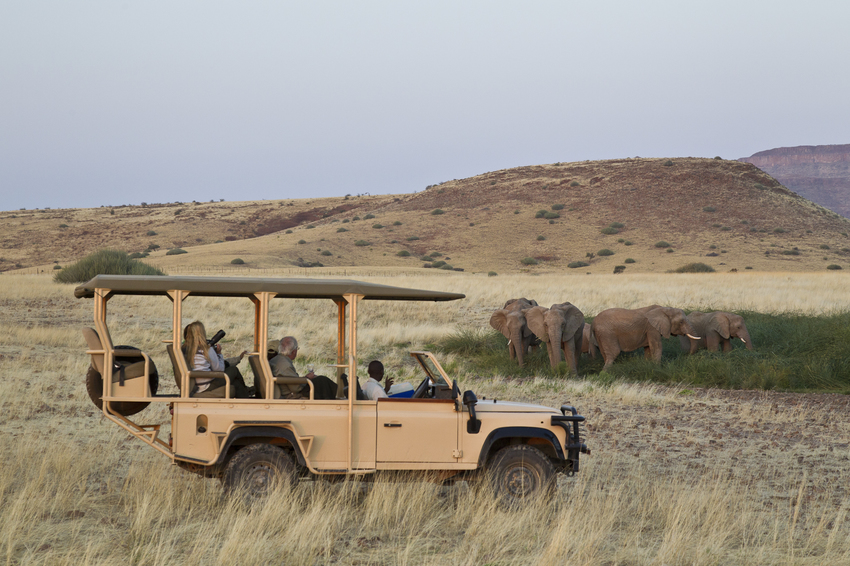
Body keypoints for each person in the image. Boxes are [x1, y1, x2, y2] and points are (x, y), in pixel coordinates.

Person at [183, 321, 254, 398]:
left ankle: (246, 396)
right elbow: (219, 369)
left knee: (236, 384)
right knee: (234, 370)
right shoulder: (206, 349)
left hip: (194, 385)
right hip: (206, 385)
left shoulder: (186, 349)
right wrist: (219, 353)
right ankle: (247, 391)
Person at [268, 336, 338, 400]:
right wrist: (307, 379)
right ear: (294, 351)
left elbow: (292, 380)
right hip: (292, 395)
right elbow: (296, 388)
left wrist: (306, 378)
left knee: (319, 381)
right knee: (322, 381)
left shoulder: (277, 359)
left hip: (287, 390)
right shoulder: (285, 365)